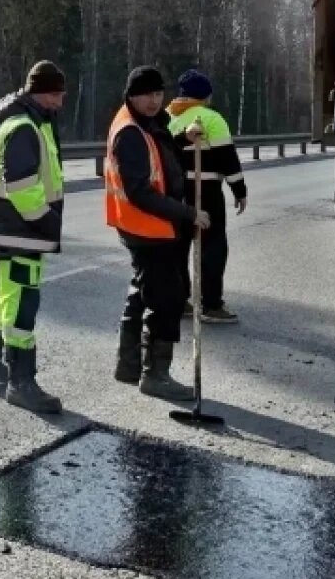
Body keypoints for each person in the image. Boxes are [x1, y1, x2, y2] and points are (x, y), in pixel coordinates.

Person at [106, 65, 209, 401]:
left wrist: (183, 139)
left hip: (147, 226)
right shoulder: (130, 133)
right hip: (147, 228)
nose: (153, 101)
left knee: (143, 291)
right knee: (167, 298)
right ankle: (156, 375)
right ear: (131, 95)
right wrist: (188, 213)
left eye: (157, 93)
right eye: (146, 94)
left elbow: (162, 157)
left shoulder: (146, 124)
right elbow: (140, 191)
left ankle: (130, 365)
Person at [0, 60, 66, 414]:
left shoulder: (25, 122)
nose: (60, 102)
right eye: (56, 95)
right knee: (23, 304)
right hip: (22, 231)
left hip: (13, 229)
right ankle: (21, 383)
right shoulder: (24, 127)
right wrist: (46, 221)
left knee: (7, 295)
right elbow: (23, 186)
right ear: (40, 93)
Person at [167, 69, 247, 324]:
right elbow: (227, 159)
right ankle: (210, 304)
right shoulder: (211, 118)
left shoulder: (168, 117)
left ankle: (179, 301)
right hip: (206, 190)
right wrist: (239, 190)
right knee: (212, 246)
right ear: (206, 96)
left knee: (179, 247)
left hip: (176, 192)